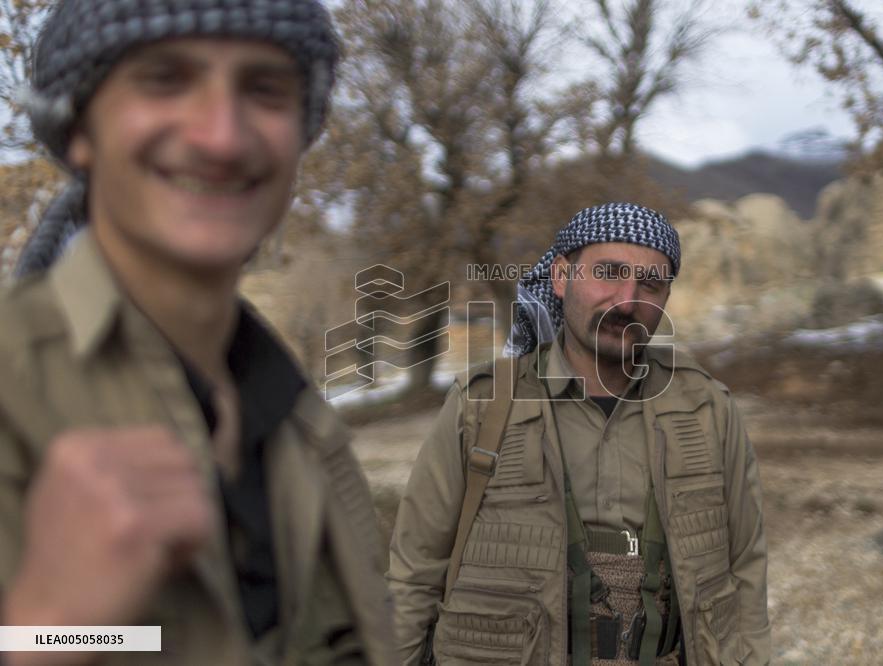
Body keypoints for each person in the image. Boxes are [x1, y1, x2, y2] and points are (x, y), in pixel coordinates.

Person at [0, 2, 396, 664]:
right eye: (164, 79)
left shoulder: (298, 420)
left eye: (264, 88)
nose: (222, 136)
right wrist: (52, 625)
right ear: (78, 129)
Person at [388, 202, 770, 665]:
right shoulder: (483, 406)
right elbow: (415, 575)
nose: (627, 300)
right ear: (561, 276)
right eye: (608, 272)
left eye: (650, 283)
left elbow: (744, 567)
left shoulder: (708, 408)